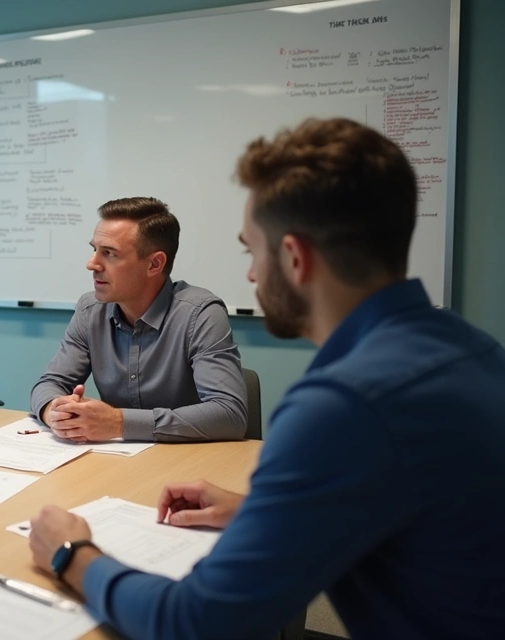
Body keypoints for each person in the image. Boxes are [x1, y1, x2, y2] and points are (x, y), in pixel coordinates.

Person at [28, 118, 505, 638]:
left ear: (295, 258)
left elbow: (196, 622)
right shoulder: (471, 349)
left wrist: (72, 554)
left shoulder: (341, 405)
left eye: (252, 251)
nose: (252, 275)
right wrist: (258, 510)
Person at [30, 197, 247, 442]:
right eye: (94, 250)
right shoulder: (90, 310)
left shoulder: (200, 313)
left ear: (154, 264)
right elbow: (50, 383)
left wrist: (118, 422)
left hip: (188, 462)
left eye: (110, 253)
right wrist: (54, 412)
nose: (92, 264)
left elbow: (230, 415)